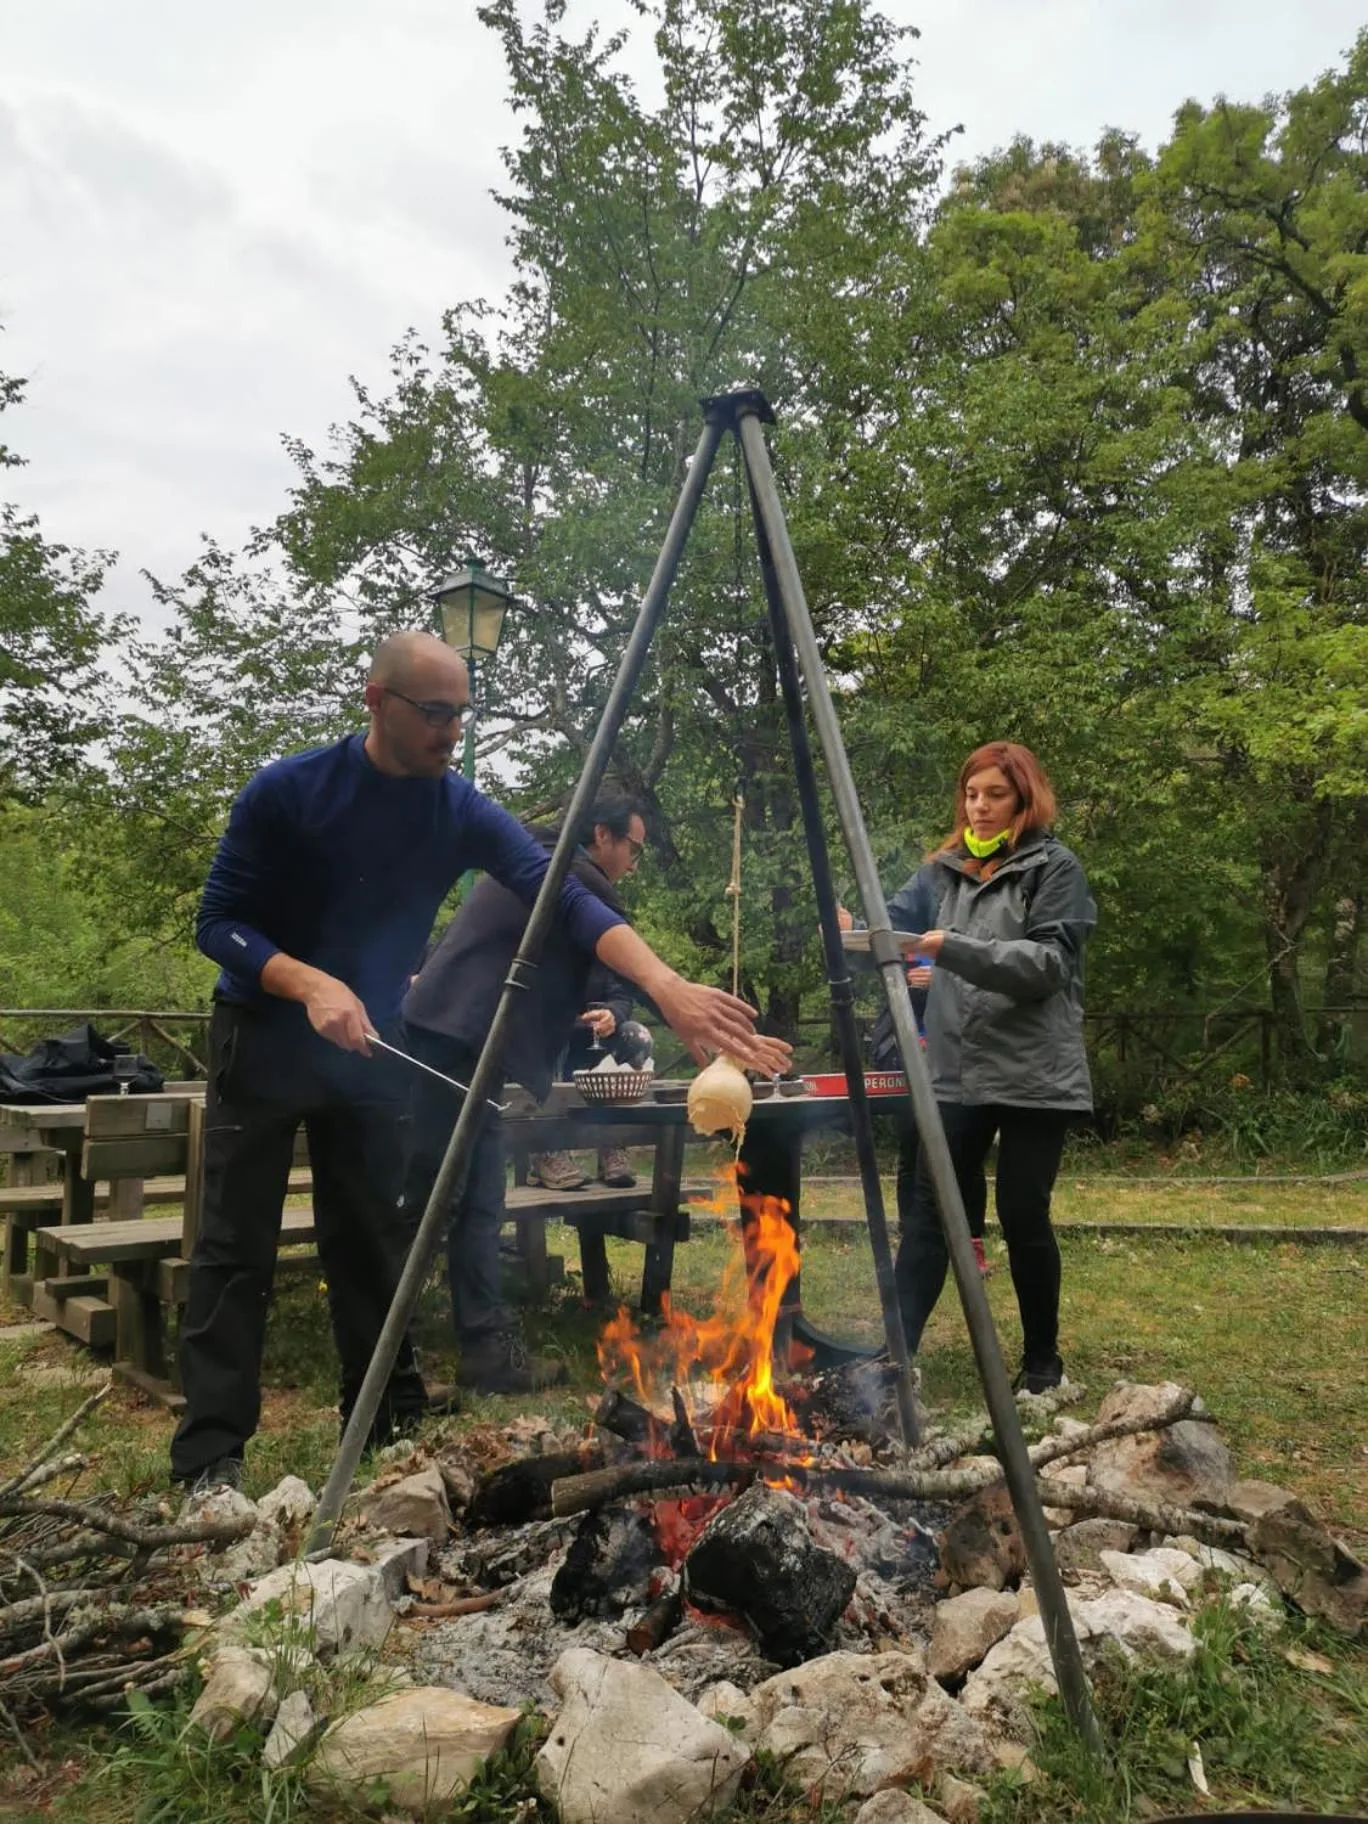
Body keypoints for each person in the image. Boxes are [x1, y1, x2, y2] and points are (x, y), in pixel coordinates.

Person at [172, 634, 789, 1493]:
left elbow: (560, 891)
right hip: (267, 1036)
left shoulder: (456, 808)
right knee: (236, 1249)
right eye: (436, 713)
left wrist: (666, 986)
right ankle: (210, 1456)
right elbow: (219, 923)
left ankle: (387, 1417)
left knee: (372, 1239)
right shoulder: (288, 790)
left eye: (463, 712)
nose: (453, 731)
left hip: (368, 1047)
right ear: (376, 701)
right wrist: (309, 981)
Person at [401, 797, 686, 1391]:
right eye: (632, 846)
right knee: (427, 1203)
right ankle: (388, 1357)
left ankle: (483, 1352)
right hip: (452, 1044)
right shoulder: (569, 874)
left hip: (467, 1045)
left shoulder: (537, 862)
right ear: (601, 835)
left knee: (478, 1203)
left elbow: (614, 982)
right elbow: (633, 967)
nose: (634, 859)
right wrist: (695, 1016)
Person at [890, 741, 1095, 1394]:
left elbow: (1047, 967)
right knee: (931, 1213)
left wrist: (953, 949)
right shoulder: (941, 871)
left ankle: (1042, 1369)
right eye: (971, 795)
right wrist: (851, 924)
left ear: (1024, 800)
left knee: (1022, 1213)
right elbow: (891, 922)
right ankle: (891, 1364)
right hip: (955, 1070)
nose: (979, 808)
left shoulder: (1054, 868)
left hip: (1036, 1074)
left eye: (994, 795)